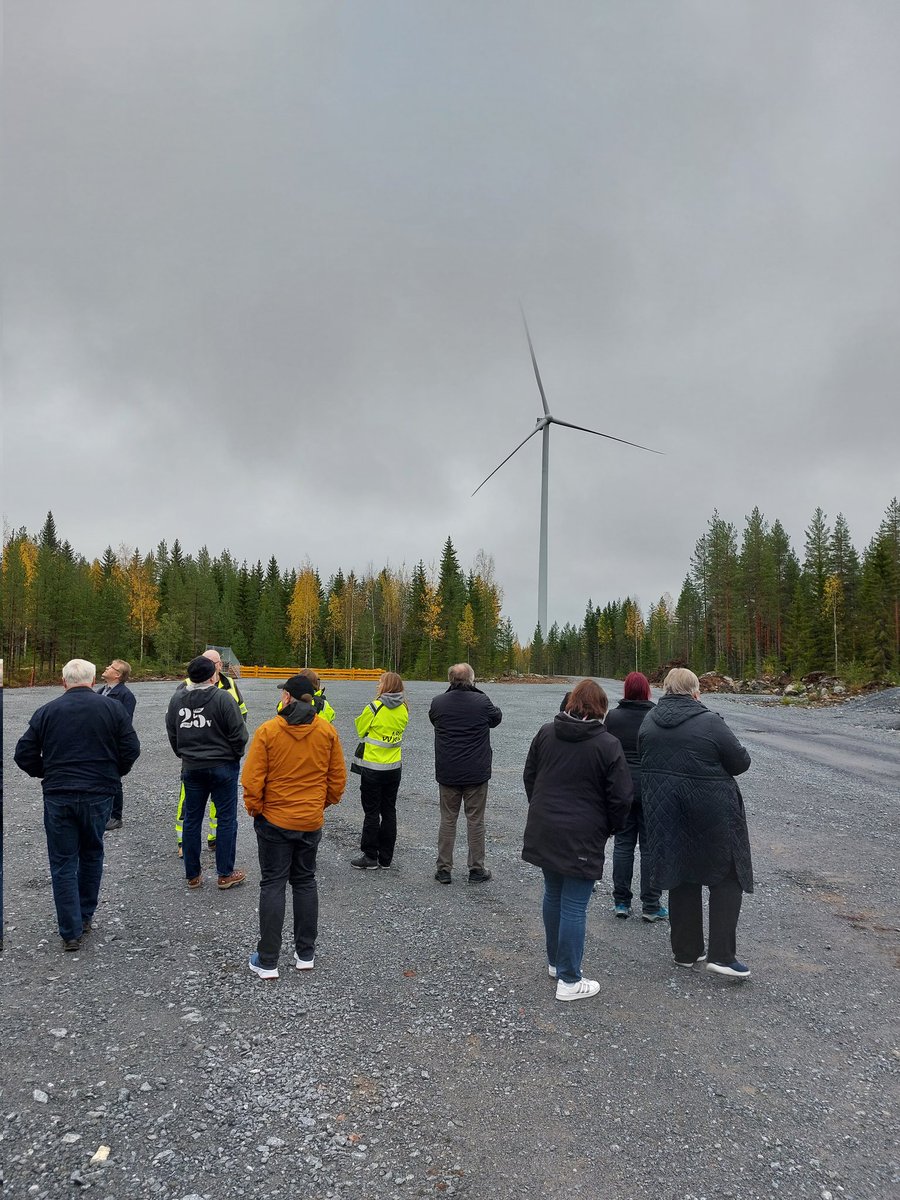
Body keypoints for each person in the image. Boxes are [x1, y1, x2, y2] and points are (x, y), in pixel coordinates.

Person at [14, 658, 141, 950]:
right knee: (92, 853)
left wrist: (47, 771)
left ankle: (70, 931)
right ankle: (84, 916)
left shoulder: (47, 711)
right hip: (98, 792)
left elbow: (24, 753)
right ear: (93, 680)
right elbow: (131, 748)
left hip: (59, 794)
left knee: (62, 861)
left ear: (63, 682)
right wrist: (112, 772)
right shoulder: (113, 709)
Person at [639, 667, 753, 979]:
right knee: (728, 876)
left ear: (665, 689)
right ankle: (722, 955)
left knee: (681, 874)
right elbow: (740, 762)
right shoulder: (710, 721)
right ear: (695, 691)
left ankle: (685, 953)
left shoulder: (649, 721)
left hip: (667, 812)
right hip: (712, 811)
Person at [522, 679, 632, 1001]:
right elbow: (622, 798)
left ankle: (557, 963)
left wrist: (542, 809)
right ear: (601, 709)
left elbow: (530, 775)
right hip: (582, 834)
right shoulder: (608, 744)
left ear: (571, 703)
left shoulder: (546, 732)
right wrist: (609, 827)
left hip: (547, 828)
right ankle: (569, 979)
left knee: (553, 893)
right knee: (572, 904)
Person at [241, 673, 346, 979]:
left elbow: (252, 779)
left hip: (274, 820)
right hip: (309, 820)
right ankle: (305, 954)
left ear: (287, 697)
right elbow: (337, 779)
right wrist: (320, 805)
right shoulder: (326, 731)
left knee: (273, 884)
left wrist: (256, 810)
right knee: (304, 881)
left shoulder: (269, 731)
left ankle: (268, 959)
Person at [165, 655, 249, 891]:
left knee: (192, 819)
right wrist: (235, 755)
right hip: (222, 766)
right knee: (226, 819)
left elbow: (172, 731)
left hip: (192, 767)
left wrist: (184, 754)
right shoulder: (222, 698)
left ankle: (193, 875)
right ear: (213, 675)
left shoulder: (177, 699)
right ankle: (224, 873)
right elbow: (239, 733)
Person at [429, 663, 502, 884]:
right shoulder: (481, 701)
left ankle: (444, 869)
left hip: (448, 771)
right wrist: (476, 692)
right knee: (475, 821)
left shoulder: (438, 702)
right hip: (475, 772)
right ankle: (476, 869)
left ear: (450, 680)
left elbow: (434, 719)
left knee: (448, 820)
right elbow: (496, 718)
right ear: (471, 679)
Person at [604, 672, 667, 922]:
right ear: (648, 691)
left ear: (626, 690)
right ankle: (651, 905)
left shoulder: (614, 717)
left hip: (622, 789)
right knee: (650, 849)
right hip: (651, 789)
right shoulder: (656, 716)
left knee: (623, 845)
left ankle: (621, 902)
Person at [350, 671, 409, 870]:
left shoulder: (374, 707)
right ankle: (386, 858)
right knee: (389, 811)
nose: (377, 685)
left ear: (385, 686)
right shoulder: (404, 708)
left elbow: (360, 729)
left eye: (380, 682)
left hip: (372, 769)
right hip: (393, 768)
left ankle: (370, 855)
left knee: (372, 813)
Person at [96, 658, 137, 831]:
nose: (106, 667)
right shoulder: (100, 691)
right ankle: (102, 812)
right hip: (98, 743)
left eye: (111, 667)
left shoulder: (126, 696)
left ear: (118, 675)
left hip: (113, 745)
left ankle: (115, 816)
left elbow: (124, 723)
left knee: (113, 779)